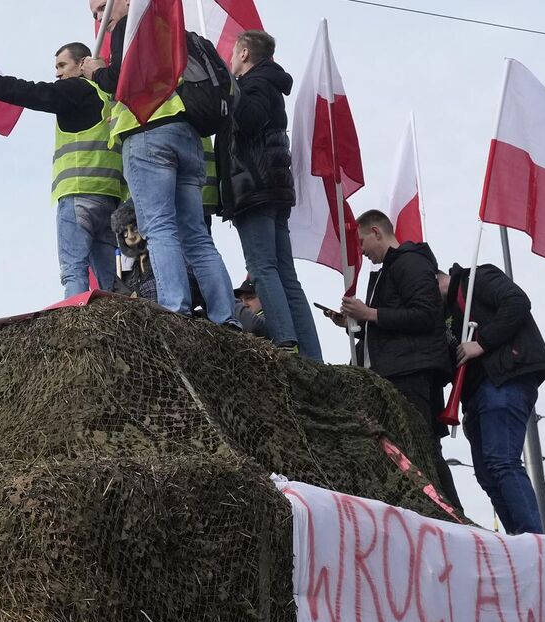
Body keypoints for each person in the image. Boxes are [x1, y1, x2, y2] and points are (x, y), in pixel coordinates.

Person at [85, 0, 235, 323]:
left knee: (158, 227)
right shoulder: (172, 29)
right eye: (96, 13)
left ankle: (174, 311)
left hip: (146, 135)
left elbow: (119, 80)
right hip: (185, 134)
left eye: (101, 8)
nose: (100, 18)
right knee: (195, 236)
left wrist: (94, 71)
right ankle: (227, 316)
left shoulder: (132, 27)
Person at [0, 43, 124, 298]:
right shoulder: (108, 98)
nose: (58, 74)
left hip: (77, 195)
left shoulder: (75, 90)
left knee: (74, 272)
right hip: (109, 200)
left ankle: (74, 332)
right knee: (107, 280)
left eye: (62, 66)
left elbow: (26, 91)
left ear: (83, 62)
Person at [329, 210, 458, 508]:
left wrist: (369, 313)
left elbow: (426, 315)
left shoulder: (409, 262)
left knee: (421, 445)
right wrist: (355, 324)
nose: (360, 250)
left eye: (361, 241)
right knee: (412, 445)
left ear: (376, 232)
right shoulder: (391, 270)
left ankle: (450, 510)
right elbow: (395, 325)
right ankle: (438, 507)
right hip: (399, 368)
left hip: (411, 371)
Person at [222, 30, 321, 360]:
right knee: (284, 272)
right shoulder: (270, 84)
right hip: (274, 189)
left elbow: (248, 121)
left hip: (255, 189)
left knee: (263, 268)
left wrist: (228, 89)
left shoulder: (255, 84)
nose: (231, 61)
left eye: (234, 54)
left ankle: (285, 344)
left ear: (246, 53)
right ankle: (309, 353)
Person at [439, 263, 545, 534]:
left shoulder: (477, 277)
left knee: (501, 461)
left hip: (504, 378)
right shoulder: (444, 316)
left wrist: (483, 342)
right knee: (487, 475)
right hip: (477, 395)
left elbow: (517, 302)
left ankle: (534, 540)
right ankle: (519, 537)